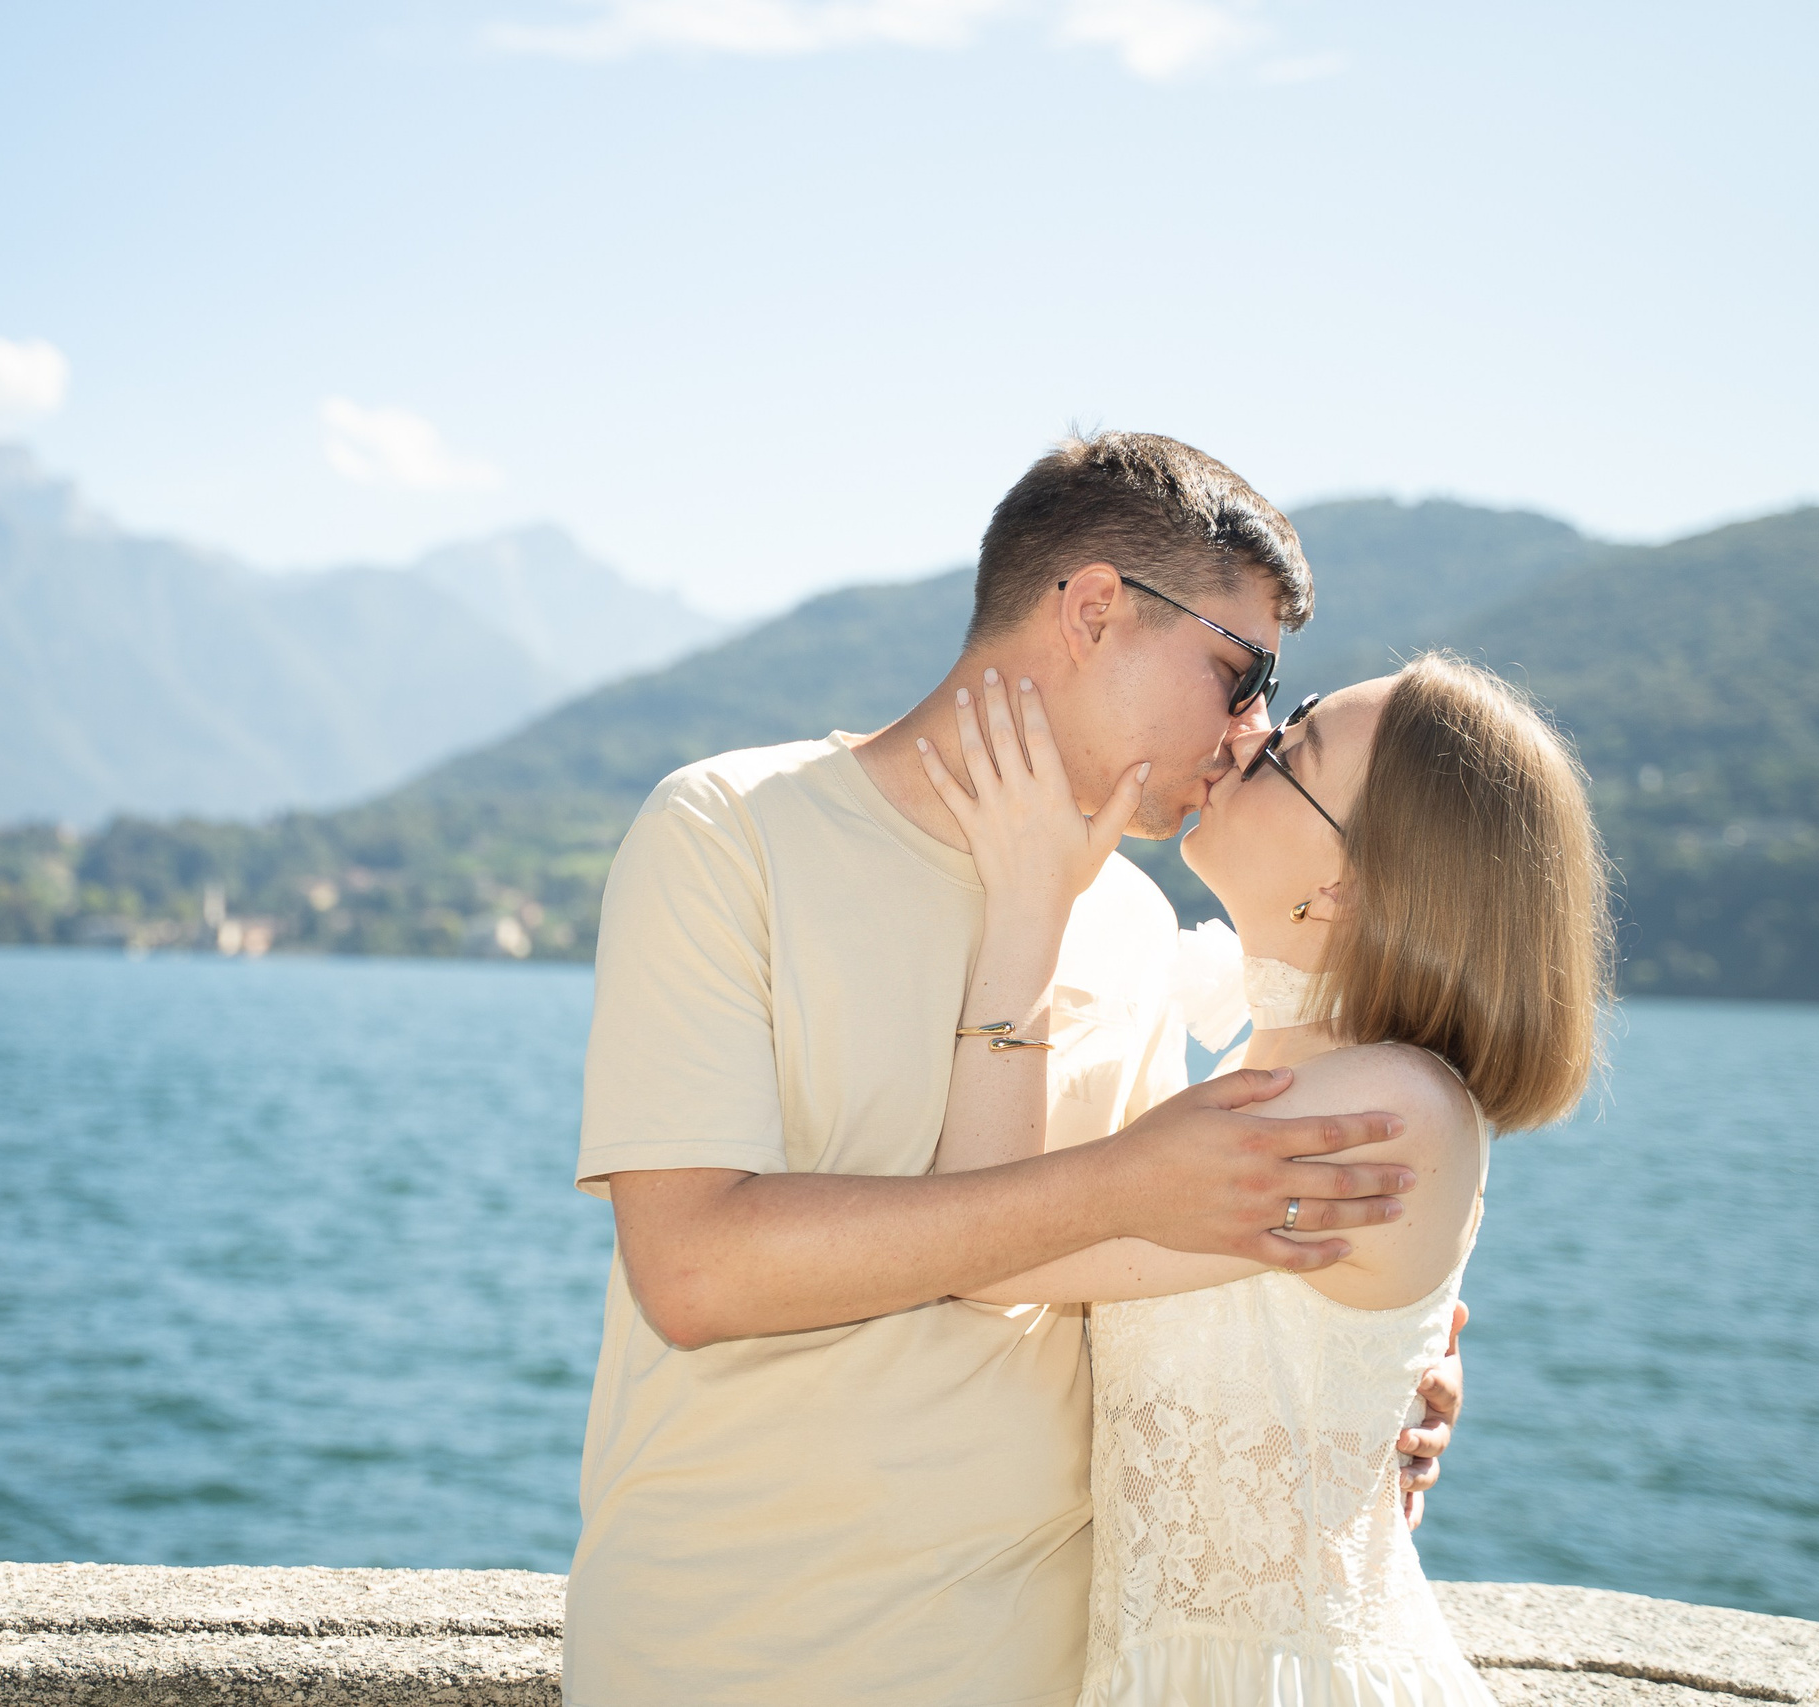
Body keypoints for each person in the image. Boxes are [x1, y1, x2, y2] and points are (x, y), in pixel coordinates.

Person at [567, 434, 1465, 1706]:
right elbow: (695, 1271)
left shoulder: (1130, 920)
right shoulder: (726, 834)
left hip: (1042, 1670)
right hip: (725, 1657)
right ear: (1094, 611)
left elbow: (1143, 1272)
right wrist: (1122, 1186)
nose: (1250, 729)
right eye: (1239, 671)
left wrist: (1362, 1374)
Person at [919, 655, 1609, 1704]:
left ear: (1347, 886)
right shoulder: (1302, 1075)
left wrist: (1027, 906)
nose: (1247, 732)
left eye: (1292, 747)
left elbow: (982, 1246)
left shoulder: (1381, 1111)